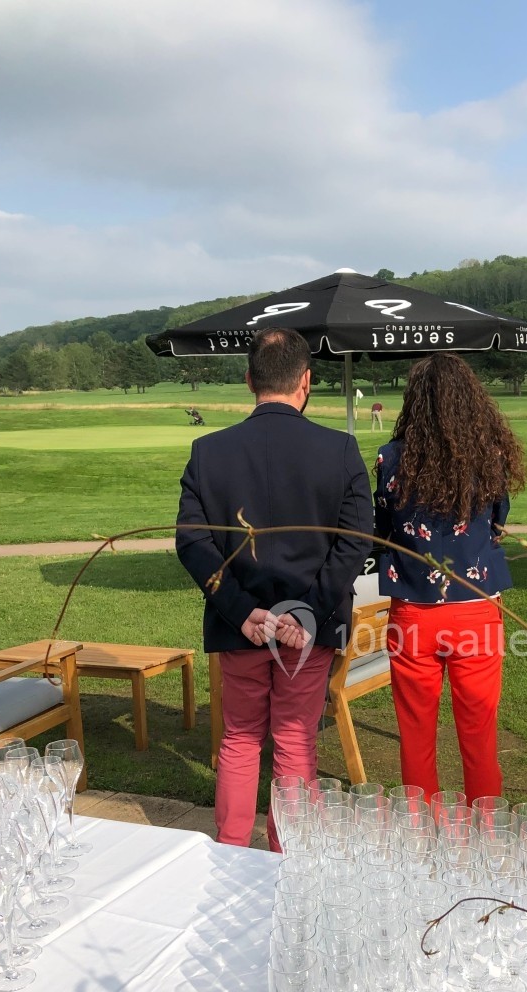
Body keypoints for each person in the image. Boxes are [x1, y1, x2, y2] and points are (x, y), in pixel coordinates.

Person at [176, 328, 372, 851]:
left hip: (244, 624)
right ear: (306, 381)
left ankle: (232, 853)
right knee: (293, 741)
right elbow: (355, 543)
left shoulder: (209, 452)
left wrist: (241, 610)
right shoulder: (340, 449)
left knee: (241, 739)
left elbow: (193, 543)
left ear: (249, 380)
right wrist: (306, 613)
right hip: (303, 629)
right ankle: (288, 859)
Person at [374, 352, 527, 803]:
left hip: (413, 612)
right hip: (476, 609)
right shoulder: (490, 456)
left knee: (415, 734)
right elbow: (498, 522)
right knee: (480, 735)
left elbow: (381, 530)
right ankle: (486, 830)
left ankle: (421, 828)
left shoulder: (391, 458)